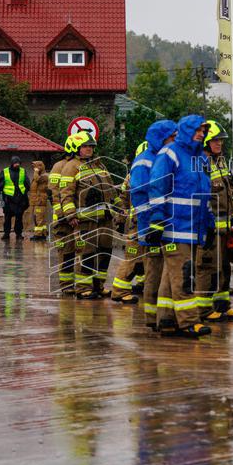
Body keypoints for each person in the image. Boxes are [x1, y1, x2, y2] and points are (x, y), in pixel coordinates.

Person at [147, 114, 214, 338]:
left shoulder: (200, 159)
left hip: (193, 228)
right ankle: (189, 322)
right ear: (185, 131)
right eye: (197, 130)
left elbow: (205, 196)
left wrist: (210, 224)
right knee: (184, 276)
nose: (201, 134)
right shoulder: (170, 154)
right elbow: (158, 187)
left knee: (171, 276)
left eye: (203, 131)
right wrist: (157, 220)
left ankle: (166, 319)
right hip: (174, 227)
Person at [131, 121, 178, 329]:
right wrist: (153, 225)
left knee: (165, 274)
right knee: (154, 273)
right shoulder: (145, 162)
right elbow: (141, 197)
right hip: (153, 227)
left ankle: (163, 316)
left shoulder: (166, 158)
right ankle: (153, 318)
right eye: (172, 137)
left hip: (168, 225)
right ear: (161, 138)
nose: (175, 141)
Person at [196, 120, 233, 322]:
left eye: (221, 141)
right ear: (206, 142)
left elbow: (228, 194)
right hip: (208, 228)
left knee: (224, 267)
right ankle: (204, 310)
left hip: (224, 229)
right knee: (207, 268)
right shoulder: (200, 163)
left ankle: (222, 306)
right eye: (215, 141)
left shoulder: (221, 162)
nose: (219, 144)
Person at [60, 132, 117, 300]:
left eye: (91, 146)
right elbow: (66, 194)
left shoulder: (100, 165)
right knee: (87, 254)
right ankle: (83, 287)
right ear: (77, 149)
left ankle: (99, 286)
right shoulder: (71, 167)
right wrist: (70, 215)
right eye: (85, 146)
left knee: (105, 254)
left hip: (105, 219)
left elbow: (111, 190)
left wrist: (120, 209)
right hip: (86, 221)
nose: (89, 149)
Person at [110, 143, 144, 304]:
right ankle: (119, 290)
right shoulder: (137, 174)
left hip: (143, 220)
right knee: (133, 256)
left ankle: (144, 283)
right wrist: (120, 218)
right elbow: (124, 197)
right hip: (138, 222)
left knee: (147, 257)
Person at [49, 139, 77, 294]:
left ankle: (82, 285)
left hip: (76, 217)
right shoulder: (58, 167)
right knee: (66, 253)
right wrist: (62, 215)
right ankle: (66, 285)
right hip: (63, 220)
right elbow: (53, 194)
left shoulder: (77, 165)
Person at [0, 155, 30, 240]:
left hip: (20, 198)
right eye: (15, 163)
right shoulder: (5, 171)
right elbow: (0, 184)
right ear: (12, 163)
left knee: (19, 218)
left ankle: (19, 234)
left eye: (18, 163)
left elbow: (27, 183)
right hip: (8, 199)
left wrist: (26, 193)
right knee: (7, 217)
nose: (17, 165)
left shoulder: (23, 171)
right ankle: (6, 234)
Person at [28, 160, 50, 241]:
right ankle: (42, 233)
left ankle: (39, 235)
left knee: (39, 218)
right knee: (37, 217)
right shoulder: (38, 175)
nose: (34, 169)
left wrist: (36, 171)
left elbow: (37, 179)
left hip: (40, 200)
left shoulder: (44, 176)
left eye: (35, 167)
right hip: (36, 200)